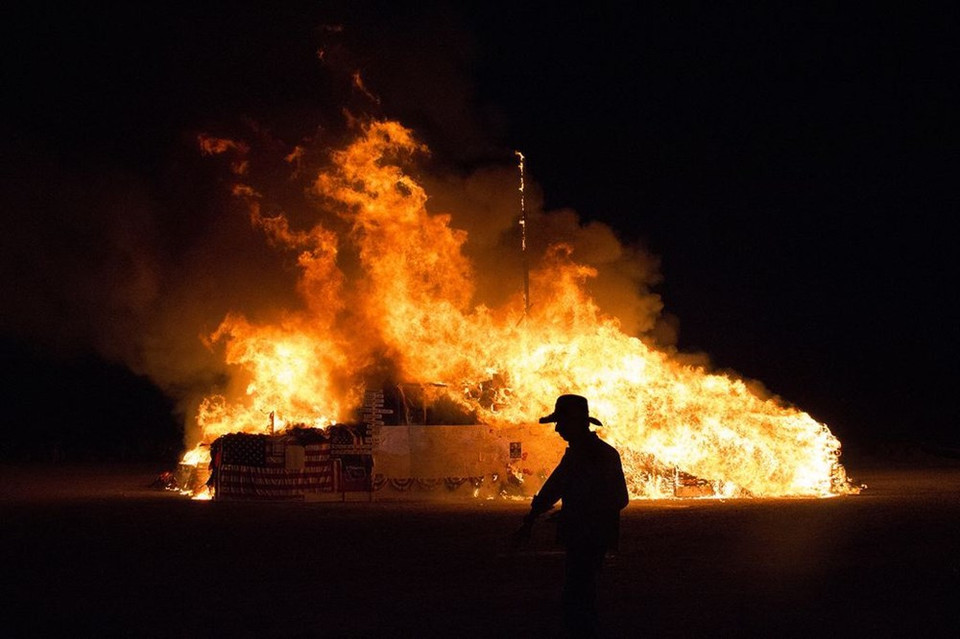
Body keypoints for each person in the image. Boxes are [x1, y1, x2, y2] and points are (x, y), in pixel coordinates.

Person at [513, 394, 629, 637]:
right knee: (579, 593)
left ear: (576, 423)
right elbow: (553, 488)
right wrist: (530, 520)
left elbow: (619, 498)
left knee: (579, 595)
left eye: (561, 422)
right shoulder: (576, 454)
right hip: (581, 535)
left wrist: (578, 513)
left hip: (591, 536)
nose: (557, 429)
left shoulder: (600, 455)